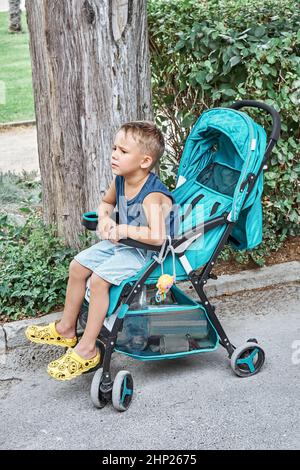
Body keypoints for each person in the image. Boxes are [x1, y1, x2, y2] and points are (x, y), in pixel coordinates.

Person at [25, 121, 176, 381]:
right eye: (114, 148)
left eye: (123, 151)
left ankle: (87, 349)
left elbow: (157, 236)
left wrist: (124, 229)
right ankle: (66, 329)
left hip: (146, 253)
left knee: (98, 281)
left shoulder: (152, 195)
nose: (114, 154)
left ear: (145, 161)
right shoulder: (120, 180)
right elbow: (105, 204)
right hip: (123, 243)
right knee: (77, 266)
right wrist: (106, 219)